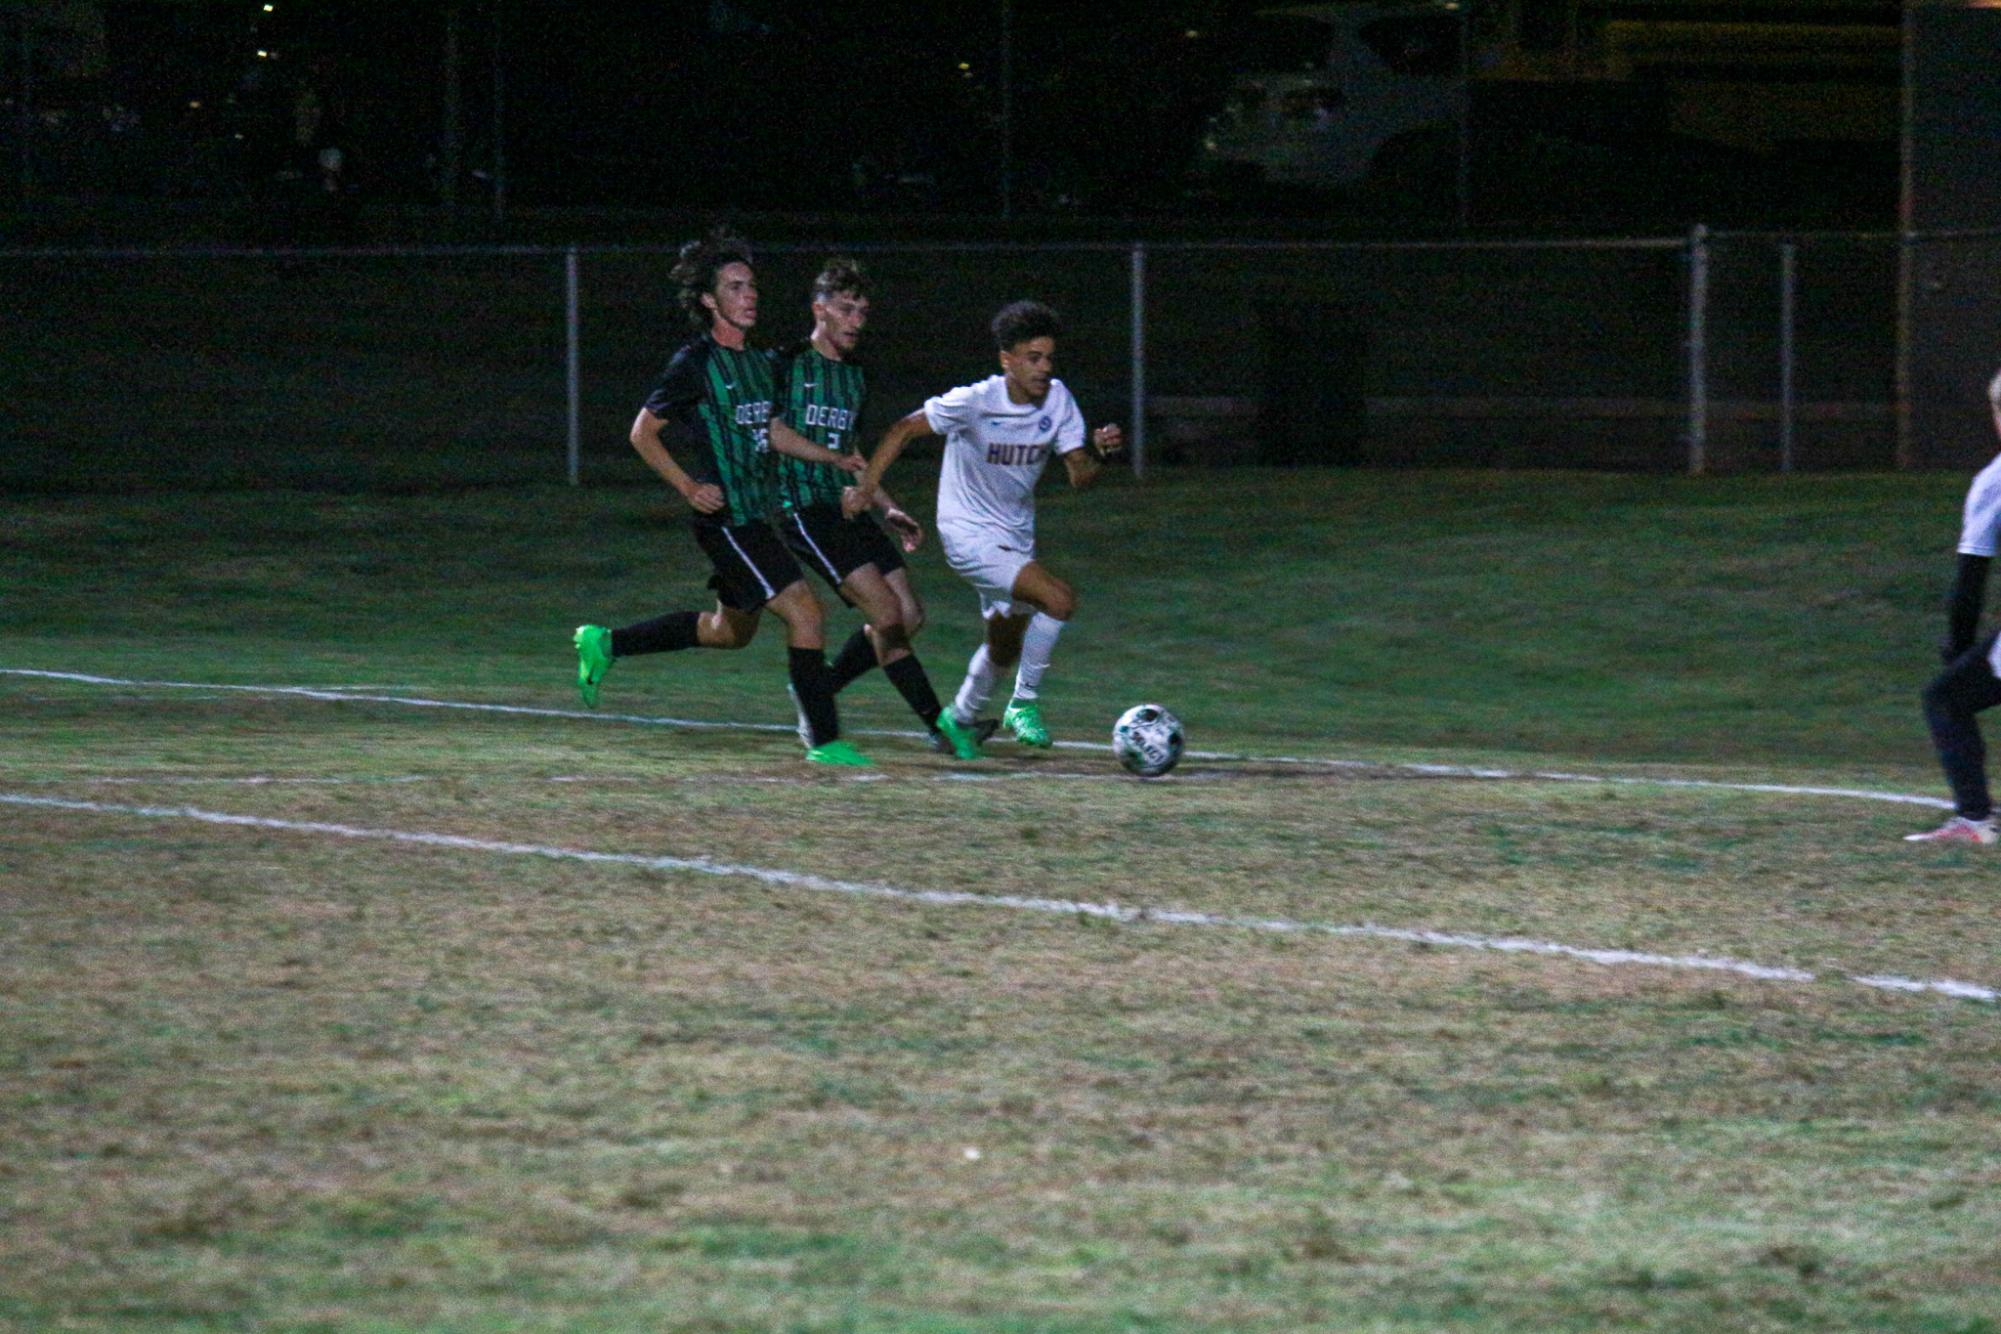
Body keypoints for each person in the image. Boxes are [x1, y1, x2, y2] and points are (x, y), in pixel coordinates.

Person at [572, 229, 872, 767]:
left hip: (756, 516)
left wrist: (833, 459)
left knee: (726, 632)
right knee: (806, 612)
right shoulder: (695, 363)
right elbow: (643, 432)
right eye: (735, 287)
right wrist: (688, 485)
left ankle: (605, 643)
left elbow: (773, 432)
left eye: (752, 286)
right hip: (728, 521)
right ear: (710, 300)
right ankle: (824, 741)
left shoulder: (761, 364)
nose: (750, 295)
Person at [847, 300, 1124, 749]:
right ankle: (1023, 703)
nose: (1043, 368)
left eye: (1049, 358)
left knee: (1003, 645)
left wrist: (1100, 454)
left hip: (1015, 536)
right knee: (1059, 600)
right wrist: (867, 489)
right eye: (1033, 358)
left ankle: (959, 720)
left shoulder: (1058, 399)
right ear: (1007, 360)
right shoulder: (974, 402)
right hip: (967, 534)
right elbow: (901, 430)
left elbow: (1080, 476)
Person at [767, 258, 986, 760]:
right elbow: (774, 432)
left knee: (908, 614)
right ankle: (942, 728)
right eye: (846, 309)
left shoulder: (855, 377)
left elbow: (853, 455)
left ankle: (815, 689)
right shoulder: (787, 363)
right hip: (803, 506)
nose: (857, 321)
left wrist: (886, 505)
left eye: (863, 311)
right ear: (819, 309)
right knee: (885, 612)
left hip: (849, 506)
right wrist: (831, 460)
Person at [1909, 367, 2001, 843]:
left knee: (1945, 698)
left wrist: (1960, 646)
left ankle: (1974, 819)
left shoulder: (1996, 481)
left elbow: (1971, 577)